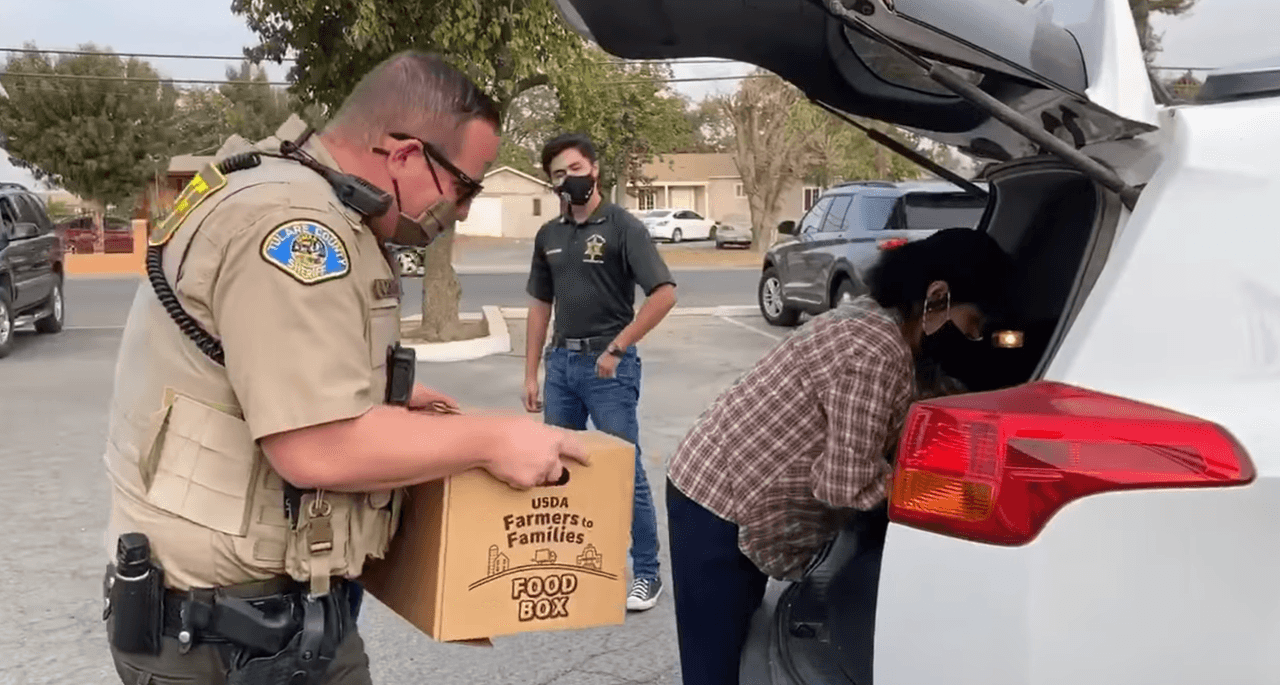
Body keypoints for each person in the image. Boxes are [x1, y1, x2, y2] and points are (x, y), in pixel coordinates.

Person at [100, 51, 588, 685]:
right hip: (231, 637)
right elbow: (317, 446)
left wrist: (382, 400)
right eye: (466, 186)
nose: (463, 210)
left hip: (254, 616)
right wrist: (496, 439)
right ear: (408, 155)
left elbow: (259, 369)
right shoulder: (298, 226)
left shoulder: (284, 188)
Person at [664, 227, 1014, 685]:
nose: (971, 338)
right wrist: (944, 494)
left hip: (733, 489)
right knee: (715, 665)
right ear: (938, 298)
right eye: (970, 325)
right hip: (715, 500)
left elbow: (919, 397)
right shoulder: (872, 348)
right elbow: (844, 484)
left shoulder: (887, 326)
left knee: (736, 647)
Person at [522, 133, 678, 612]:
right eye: (557, 175)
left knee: (623, 471)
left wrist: (618, 347)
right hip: (561, 366)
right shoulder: (549, 235)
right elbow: (538, 305)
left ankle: (645, 574)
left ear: (594, 170)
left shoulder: (622, 227)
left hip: (608, 369)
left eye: (573, 169)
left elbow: (664, 293)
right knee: (559, 469)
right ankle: (573, 566)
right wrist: (531, 373)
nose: (567, 180)